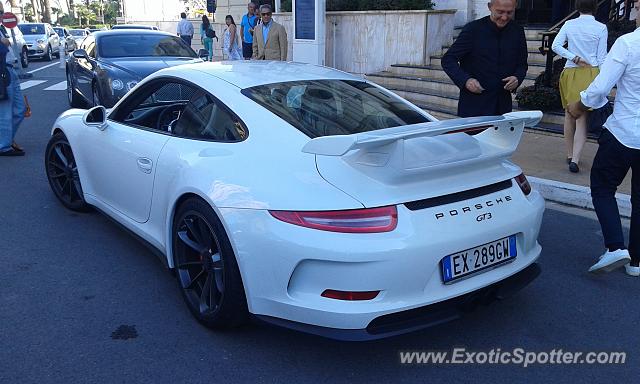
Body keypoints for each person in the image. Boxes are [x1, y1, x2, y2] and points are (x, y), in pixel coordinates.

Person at [567, 0, 640, 277]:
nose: (633, 12)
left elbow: (601, 87)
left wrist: (579, 105)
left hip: (623, 131)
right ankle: (636, 262)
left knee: (602, 186)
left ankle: (615, 247)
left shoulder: (628, 43)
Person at [441, 0, 528, 118]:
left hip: (502, 107)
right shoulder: (473, 29)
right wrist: (466, 80)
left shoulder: (518, 31)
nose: (504, 17)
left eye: (509, 12)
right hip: (474, 106)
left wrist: (517, 77)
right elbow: (448, 59)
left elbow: (522, 64)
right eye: (500, 12)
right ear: (490, 7)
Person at [552, 0, 607, 173]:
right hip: (591, 72)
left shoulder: (569, 24)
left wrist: (573, 57)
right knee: (582, 117)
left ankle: (570, 155)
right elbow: (602, 58)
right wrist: (604, 80)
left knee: (569, 114)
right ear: (594, 7)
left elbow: (555, 46)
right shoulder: (601, 28)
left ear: (577, 7)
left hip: (570, 72)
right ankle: (575, 158)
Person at [0, 4, 26, 156]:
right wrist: (3, 44)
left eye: (1, 12)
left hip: (10, 69)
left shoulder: (2, 28)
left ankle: (6, 139)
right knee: (4, 112)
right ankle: (4, 145)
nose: (1, 15)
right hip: (2, 71)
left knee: (19, 109)